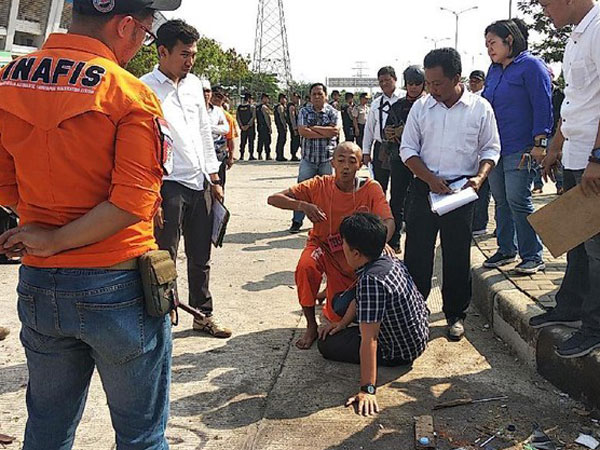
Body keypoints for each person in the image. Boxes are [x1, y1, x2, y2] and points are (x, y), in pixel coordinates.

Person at [0, 0, 181, 447]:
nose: (142, 45)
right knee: (141, 435)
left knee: (46, 425)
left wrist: (41, 229)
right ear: (124, 25)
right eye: (144, 34)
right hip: (117, 281)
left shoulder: (8, 80)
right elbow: (133, 203)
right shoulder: (128, 92)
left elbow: (5, 181)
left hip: (40, 283)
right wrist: (60, 238)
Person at [400, 48, 501, 341]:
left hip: (461, 192)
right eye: (428, 84)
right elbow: (408, 149)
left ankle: (455, 314)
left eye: (437, 84)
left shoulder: (480, 109)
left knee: (457, 254)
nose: (431, 90)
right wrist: (429, 179)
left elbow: (491, 149)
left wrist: (479, 180)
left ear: (457, 78)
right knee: (417, 252)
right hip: (424, 188)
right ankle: (415, 311)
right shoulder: (422, 108)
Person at [141, 21, 231, 340]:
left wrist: (214, 176)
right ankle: (164, 318)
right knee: (164, 256)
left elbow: (204, 133)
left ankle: (202, 314)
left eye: (192, 54)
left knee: (200, 255)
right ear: (162, 52)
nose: (189, 60)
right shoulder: (144, 88)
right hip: (167, 185)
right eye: (184, 54)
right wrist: (151, 195)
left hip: (199, 182)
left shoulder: (194, 86)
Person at [267, 142, 395, 349]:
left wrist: (379, 244)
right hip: (324, 247)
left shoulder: (371, 188)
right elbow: (273, 199)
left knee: (343, 309)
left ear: (360, 165)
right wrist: (303, 206)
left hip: (355, 253)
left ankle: (329, 293)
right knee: (305, 266)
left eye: (352, 161)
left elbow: (388, 221)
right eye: (341, 160)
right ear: (332, 162)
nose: (345, 166)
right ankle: (310, 325)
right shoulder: (318, 185)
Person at [529, 0, 600, 358]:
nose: (543, 10)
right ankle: (569, 308)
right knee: (575, 241)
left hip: (594, 160)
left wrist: (598, 158)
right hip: (575, 155)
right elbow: (574, 102)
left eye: (545, 3)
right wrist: (556, 146)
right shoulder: (576, 36)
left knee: (596, 250)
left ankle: (594, 327)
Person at [317, 213, 429, 416]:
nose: (342, 248)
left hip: (398, 351)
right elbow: (358, 299)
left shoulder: (371, 282)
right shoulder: (386, 257)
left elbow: (370, 339)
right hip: (418, 334)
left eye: (344, 244)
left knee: (326, 344)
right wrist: (342, 324)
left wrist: (367, 389)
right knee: (341, 304)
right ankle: (346, 323)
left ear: (356, 253)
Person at [482, 19, 553, 275]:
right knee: (501, 201)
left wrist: (541, 143)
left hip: (522, 147)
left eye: (493, 43)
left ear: (509, 40)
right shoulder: (494, 70)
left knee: (518, 200)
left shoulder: (531, 66)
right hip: (495, 148)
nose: (489, 49)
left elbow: (543, 105)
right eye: (486, 44)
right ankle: (505, 249)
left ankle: (533, 254)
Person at [381, 65, 425, 252]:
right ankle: (394, 240)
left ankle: (417, 241)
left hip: (423, 161)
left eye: (417, 83)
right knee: (396, 200)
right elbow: (387, 130)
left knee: (417, 202)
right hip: (399, 159)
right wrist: (391, 132)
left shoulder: (428, 105)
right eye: (410, 84)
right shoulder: (398, 106)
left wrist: (406, 130)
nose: (413, 87)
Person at [288, 83, 341, 234]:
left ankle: (326, 222)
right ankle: (297, 221)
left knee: (328, 192)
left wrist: (314, 128)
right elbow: (303, 132)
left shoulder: (333, 112)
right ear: (310, 97)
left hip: (327, 158)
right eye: (314, 94)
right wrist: (325, 130)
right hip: (308, 159)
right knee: (301, 191)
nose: (317, 97)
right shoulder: (304, 111)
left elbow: (335, 132)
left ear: (326, 96)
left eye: (320, 94)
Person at [363, 67, 404, 194]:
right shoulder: (376, 103)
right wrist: (366, 152)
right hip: (382, 148)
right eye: (381, 81)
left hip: (401, 147)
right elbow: (369, 129)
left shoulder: (406, 98)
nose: (384, 84)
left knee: (400, 188)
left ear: (395, 79)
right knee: (379, 186)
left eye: (387, 80)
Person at [211, 86, 237, 186]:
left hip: (219, 155)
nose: (216, 99)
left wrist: (230, 157)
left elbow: (230, 139)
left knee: (219, 184)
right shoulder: (201, 113)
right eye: (214, 95)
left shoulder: (227, 117)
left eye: (220, 97)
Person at [237, 93, 257, 161]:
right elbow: (253, 117)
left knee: (243, 142)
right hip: (250, 127)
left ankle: (241, 156)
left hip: (243, 128)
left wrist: (241, 126)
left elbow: (238, 117)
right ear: (249, 99)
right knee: (251, 141)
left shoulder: (239, 107)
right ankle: (251, 155)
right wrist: (248, 125)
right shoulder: (252, 107)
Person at [257, 93, 273, 160]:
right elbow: (267, 118)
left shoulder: (257, 107)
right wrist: (269, 127)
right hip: (265, 126)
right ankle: (267, 155)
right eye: (266, 98)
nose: (268, 100)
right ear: (263, 98)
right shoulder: (264, 107)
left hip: (259, 126)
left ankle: (259, 154)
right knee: (267, 141)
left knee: (260, 140)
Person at [287, 92, 302, 161]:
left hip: (294, 127)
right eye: (296, 98)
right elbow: (292, 118)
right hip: (294, 127)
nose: (297, 99)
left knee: (295, 140)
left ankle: (294, 154)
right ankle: (293, 155)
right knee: (295, 140)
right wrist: (295, 128)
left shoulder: (294, 106)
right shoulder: (291, 107)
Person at [275, 93, 289, 161]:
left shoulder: (280, 106)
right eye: (284, 99)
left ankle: (280, 154)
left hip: (279, 125)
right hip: (281, 126)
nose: (285, 100)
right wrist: (284, 126)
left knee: (281, 140)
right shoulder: (280, 107)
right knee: (281, 140)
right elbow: (282, 117)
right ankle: (280, 155)